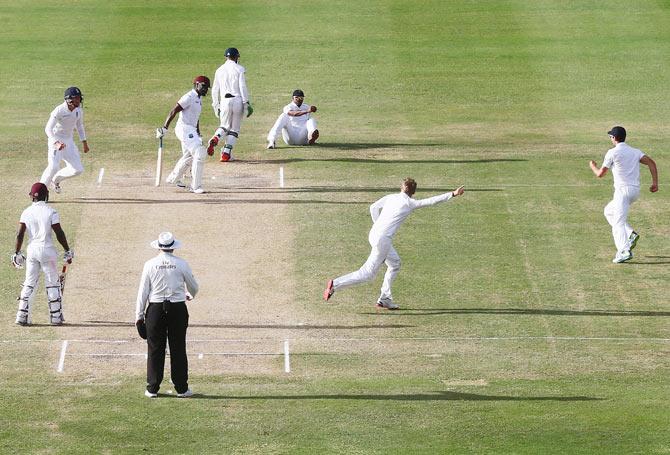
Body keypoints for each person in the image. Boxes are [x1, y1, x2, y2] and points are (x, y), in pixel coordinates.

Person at [324, 178, 465, 309]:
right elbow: (432, 201)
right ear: (413, 192)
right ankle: (335, 284)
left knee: (395, 263)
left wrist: (378, 225)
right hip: (383, 240)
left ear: (402, 188)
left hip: (373, 234)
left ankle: (385, 298)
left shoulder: (390, 197)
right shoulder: (410, 203)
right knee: (367, 274)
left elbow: (373, 207)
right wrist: (453, 193)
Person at [135, 232, 199, 398]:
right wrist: (190, 295)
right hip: (177, 308)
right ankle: (182, 389)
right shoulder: (181, 264)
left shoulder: (150, 264)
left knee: (155, 348)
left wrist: (139, 316)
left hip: (155, 309)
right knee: (178, 348)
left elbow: (143, 292)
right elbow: (193, 286)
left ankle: (152, 388)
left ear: (159, 246)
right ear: (173, 247)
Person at [589, 126, 658, 263]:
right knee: (608, 211)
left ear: (614, 138)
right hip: (634, 192)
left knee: (618, 224)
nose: (610, 138)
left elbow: (600, 174)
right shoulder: (635, 151)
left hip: (622, 193)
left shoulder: (612, 153)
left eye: (610, 136)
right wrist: (655, 183)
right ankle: (631, 234)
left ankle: (624, 250)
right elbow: (651, 163)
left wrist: (592, 166)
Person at [12, 182, 74, 326]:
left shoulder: (26, 212)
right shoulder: (51, 211)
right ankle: (55, 318)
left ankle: (21, 316)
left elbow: (19, 234)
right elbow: (59, 233)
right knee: (52, 283)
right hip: (48, 251)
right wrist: (67, 250)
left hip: (32, 251)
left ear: (32, 197)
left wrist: (17, 252)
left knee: (29, 283)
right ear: (46, 194)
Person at [156, 76, 211, 194]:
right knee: (199, 152)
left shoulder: (199, 99)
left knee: (189, 156)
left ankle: (173, 178)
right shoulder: (189, 97)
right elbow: (174, 110)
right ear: (196, 85)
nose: (205, 89)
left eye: (207, 88)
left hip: (191, 130)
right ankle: (195, 186)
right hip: (184, 129)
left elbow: (195, 119)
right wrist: (165, 128)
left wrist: (198, 133)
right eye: (203, 86)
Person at [39, 87, 90, 194]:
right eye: (77, 98)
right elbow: (48, 129)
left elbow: (79, 126)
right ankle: (39, 192)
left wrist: (84, 142)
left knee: (78, 169)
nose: (79, 100)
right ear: (69, 100)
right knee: (53, 167)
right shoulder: (59, 110)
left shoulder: (78, 110)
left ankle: (55, 180)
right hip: (55, 140)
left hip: (68, 142)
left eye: (79, 97)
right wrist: (55, 142)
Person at [208, 47, 253, 162]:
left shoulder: (219, 70)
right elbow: (242, 87)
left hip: (224, 101)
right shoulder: (240, 69)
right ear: (236, 57)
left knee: (224, 126)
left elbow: (214, 90)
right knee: (234, 129)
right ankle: (226, 153)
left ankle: (216, 137)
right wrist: (246, 102)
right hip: (237, 100)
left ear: (226, 57)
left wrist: (216, 105)